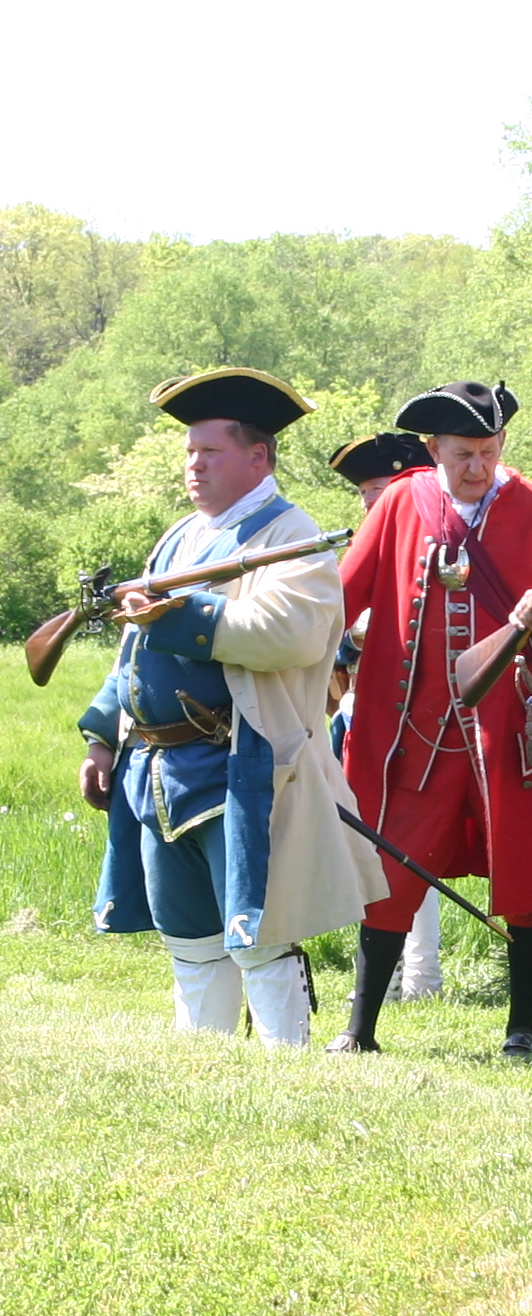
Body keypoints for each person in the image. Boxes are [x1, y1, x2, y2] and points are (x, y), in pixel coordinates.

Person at [76, 367, 385, 1046]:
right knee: (189, 937)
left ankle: (285, 1071)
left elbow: (288, 634)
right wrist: (102, 735)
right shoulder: (181, 536)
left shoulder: (291, 538)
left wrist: (179, 612)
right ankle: (207, 1066)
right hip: (158, 769)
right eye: (191, 452)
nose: (195, 465)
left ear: (257, 457)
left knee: (259, 936)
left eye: (210, 452)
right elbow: (131, 653)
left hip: (243, 765)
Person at [330, 381, 532, 1058]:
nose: (477, 467)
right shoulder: (399, 507)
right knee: (389, 873)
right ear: (433, 449)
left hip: (511, 731)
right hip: (411, 736)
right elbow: (341, 596)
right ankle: (360, 1031)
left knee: (527, 876)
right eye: (463, 454)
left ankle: (521, 1029)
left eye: (489, 451)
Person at [327, 430, 441, 1000]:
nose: (375, 503)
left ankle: (421, 974)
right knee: (371, 843)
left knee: (413, 847)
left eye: (385, 489)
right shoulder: (367, 539)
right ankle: (390, 976)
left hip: (426, 719)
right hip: (364, 712)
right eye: (369, 492)